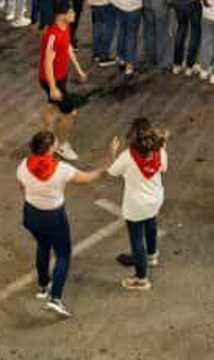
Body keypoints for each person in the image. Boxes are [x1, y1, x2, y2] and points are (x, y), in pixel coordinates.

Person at [16, 130, 105, 318]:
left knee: (42, 246)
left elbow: (22, 187)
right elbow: (88, 178)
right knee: (63, 254)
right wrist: (106, 164)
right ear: (49, 148)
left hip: (32, 213)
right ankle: (55, 299)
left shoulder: (24, 165)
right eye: (55, 143)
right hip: (54, 216)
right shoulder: (62, 169)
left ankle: (42, 286)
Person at [108, 118, 168, 291]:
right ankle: (152, 255)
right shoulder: (160, 152)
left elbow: (112, 171)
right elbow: (163, 169)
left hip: (135, 205)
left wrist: (112, 151)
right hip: (155, 199)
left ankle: (141, 279)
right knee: (151, 224)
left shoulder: (127, 157)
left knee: (137, 241)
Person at [39, 3, 88, 161]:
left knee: (52, 106)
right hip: (52, 80)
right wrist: (53, 88)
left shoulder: (65, 27)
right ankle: (62, 146)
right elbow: (47, 63)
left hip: (60, 77)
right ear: (62, 15)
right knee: (70, 113)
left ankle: (47, 137)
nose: (74, 13)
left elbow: (67, 47)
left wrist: (78, 69)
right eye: (71, 11)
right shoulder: (53, 35)